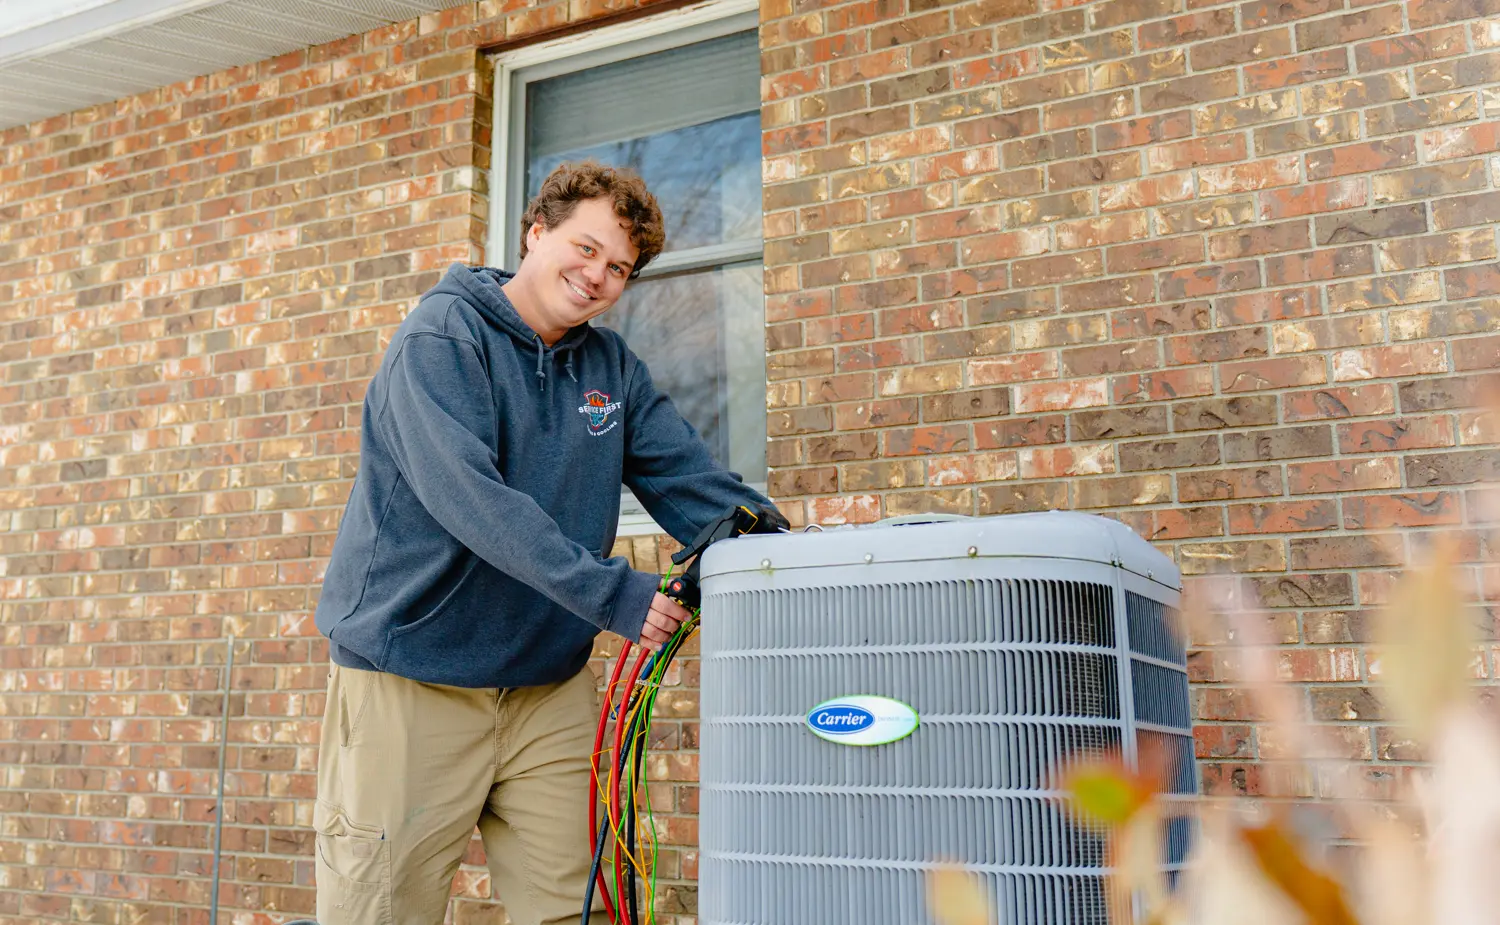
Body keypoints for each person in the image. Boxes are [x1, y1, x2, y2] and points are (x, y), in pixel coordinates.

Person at [310, 161, 785, 925]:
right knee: (380, 910)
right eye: (586, 248)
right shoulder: (441, 339)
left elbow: (695, 483)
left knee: (576, 909)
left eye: (620, 268)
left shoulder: (609, 370)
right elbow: (476, 501)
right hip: (412, 676)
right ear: (537, 232)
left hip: (546, 686)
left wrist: (780, 550)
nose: (598, 276)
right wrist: (615, 595)